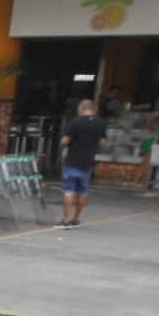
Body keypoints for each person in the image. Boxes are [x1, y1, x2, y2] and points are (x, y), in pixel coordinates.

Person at [57, 98, 107, 229]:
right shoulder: (101, 123)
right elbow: (102, 142)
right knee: (83, 191)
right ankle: (76, 218)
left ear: (81, 109)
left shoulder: (75, 122)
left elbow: (65, 141)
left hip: (73, 160)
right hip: (88, 161)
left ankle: (65, 219)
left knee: (69, 190)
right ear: (93, 109)